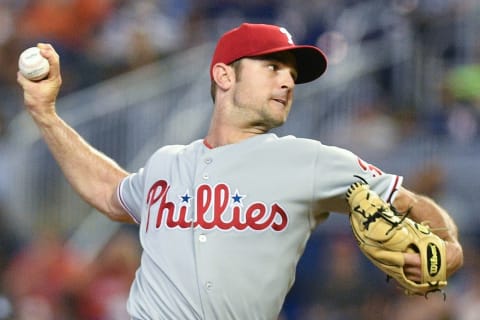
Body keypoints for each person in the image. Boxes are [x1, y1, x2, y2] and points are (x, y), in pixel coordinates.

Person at [17, 23, 463, 320]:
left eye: (291, 74)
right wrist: (46, 115)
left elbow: (413, 205)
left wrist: (450, 248)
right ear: (224, 77)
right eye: (272, 67)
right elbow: (111, 191)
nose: (288, 82)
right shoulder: (166, 164)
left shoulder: (310, 161)